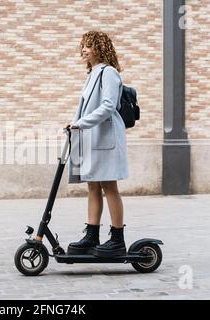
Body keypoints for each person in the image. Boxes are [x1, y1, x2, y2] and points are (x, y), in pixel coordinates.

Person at [66, 30, 129, 257]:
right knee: (93, 185)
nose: (84, 49)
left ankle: (117, 238)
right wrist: (76, 124)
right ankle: (92, 235)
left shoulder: (108, 73)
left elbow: (108, 106)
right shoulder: (91, 74)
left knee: (109, 186)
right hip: (91, 139)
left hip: (105, 138)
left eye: (89, 46)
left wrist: (82, 123)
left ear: (100, 48)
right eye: (83, 45)